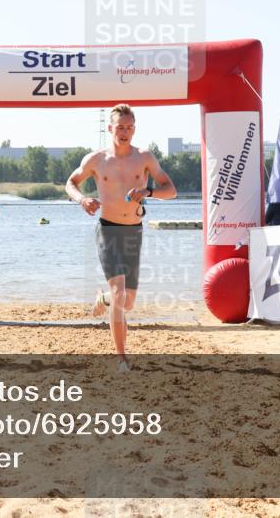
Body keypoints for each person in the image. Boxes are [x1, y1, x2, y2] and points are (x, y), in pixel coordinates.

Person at [65, 104, 177, 371]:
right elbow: (70, 182)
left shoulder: (145, 157)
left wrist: (148, 192)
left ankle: (103, 299)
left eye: (129, 127)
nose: (125, 132)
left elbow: (171, 190)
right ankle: (122, 359)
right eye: (120, 127)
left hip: (133, 232)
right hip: (107, 230)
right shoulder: (96, 159)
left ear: (134, 129)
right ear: (110, 128)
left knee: (127, 301)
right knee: (119, 291)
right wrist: (82, 199)